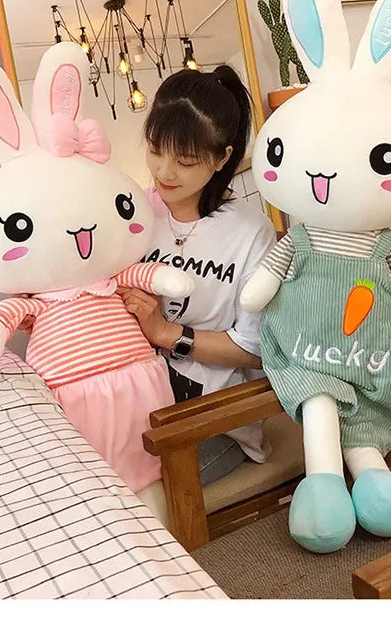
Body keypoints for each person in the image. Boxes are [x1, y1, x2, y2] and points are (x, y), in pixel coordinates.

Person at [117, 65, 277, 485]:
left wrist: (165, 332)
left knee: (134, 490)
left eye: (186, 160)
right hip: (135, 403)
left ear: (223, 158)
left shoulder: (249, 232)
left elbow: (256, 350)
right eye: (156, 150)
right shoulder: (131, 214)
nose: (165, 172)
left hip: (215, 418)